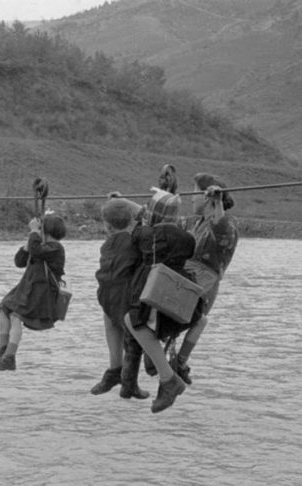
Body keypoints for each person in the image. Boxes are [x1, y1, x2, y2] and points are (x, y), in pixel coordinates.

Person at [124, 188, 203, 413]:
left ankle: (168, 378)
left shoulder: (145, 235)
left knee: (132, 321)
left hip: (158, 295)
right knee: (198, 320)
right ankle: (173, 368)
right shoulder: (187, 239)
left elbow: (137, 232)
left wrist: (130, 207)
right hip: (183, 298)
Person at [169, 173, 238, 384]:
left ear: (207, 197)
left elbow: (221, 228)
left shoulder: (226, 224)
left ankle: (178, 363)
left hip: (202, 287)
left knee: (194, 319)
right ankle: (174, 366)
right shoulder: (196, 223)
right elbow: (165, 222)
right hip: (187, 281)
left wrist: (217, 202)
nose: (191, 198)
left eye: (195, 192)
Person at [0, 214, 67, 371]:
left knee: (16, 317)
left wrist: (33, 233)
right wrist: (26, 246)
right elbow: (19, 262)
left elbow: (37, 251)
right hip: (27, 287)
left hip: (40, 291)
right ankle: (2, 348)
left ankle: (9, 357)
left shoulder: (56, 248)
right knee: (4, 308)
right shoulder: (37, 245)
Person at [90, 197, 150, 399]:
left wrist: (116, 203)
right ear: (133, 221)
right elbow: (144, 216)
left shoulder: (107, 244)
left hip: (106, 297)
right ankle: (128, 382)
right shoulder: (134, 239)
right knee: (135, 340)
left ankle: (115, 371)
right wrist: (125, 203)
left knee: (111, 324)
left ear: (107, 226)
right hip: (126, 296)